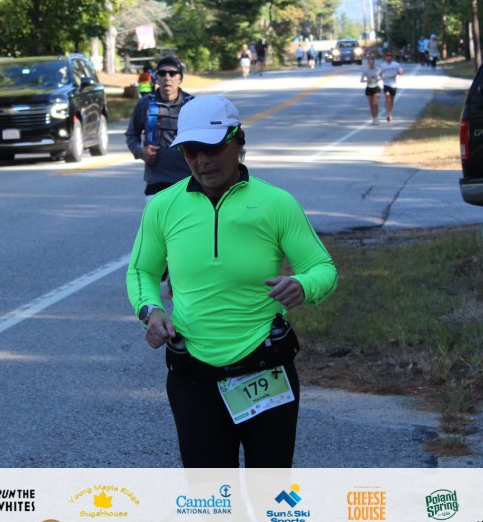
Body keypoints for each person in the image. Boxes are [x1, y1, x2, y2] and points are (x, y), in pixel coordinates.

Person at [126, 95, 338, 468]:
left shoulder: (276, 203)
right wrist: (150, 310)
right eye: (190, 151)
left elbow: (322, 267)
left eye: (212, 148)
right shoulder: (163, 206)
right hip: (193, 374)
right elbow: (141, 270)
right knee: (211, 495)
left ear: (238, 141)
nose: (202, 161)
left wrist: (304, 285)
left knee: (269, 492)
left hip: (264, 367)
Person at [124, 56, 195, 201]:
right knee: (156, 216)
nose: (167, 78)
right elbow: (131, 134)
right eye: (162, 73)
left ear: (180, 78)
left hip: (189, 181)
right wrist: (140, 151)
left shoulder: (192, 105)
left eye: (172, 73)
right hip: (156, 182)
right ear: (157, 78)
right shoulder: (145, 104)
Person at [379, 51, 404, 122]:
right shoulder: (382, 65)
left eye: (390, 56)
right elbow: (379, 73)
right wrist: (381, 76)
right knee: (387, 98)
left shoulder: (396, 65)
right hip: (386, 84)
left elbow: (401, 72)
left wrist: (397, 73)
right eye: (387, 56)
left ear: (392, 57)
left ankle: (390, 112)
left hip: (393, 85)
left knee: (392, 100)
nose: (388, 57)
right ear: (385, 57)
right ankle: (388, 114)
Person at [360, 56, 382, 125]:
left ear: (374, 62)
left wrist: (378, 79)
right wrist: (368, 80)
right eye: (369, 62)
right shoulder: (365, 70)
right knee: (371, 105)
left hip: (376, 87)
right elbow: (361, 80)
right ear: (368, 63)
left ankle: (377, 117)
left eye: (372, 62)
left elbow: (382, 76)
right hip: (369, 88)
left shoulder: (378, 69)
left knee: (375, 103)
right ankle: (374, 118)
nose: (371, 63)